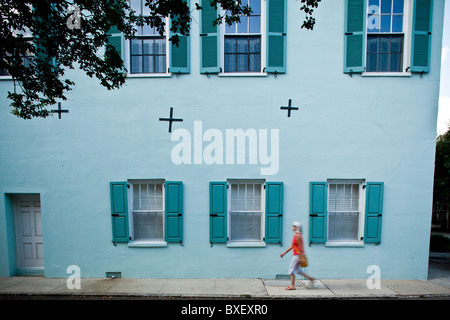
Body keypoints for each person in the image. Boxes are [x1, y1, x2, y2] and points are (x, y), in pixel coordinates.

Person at [280, 221, 315, 290]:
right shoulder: (297, 235)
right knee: (298, 271)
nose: (292, 227)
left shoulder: (298, 236)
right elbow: (292, 246)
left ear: (296, 227)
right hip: (298, 255)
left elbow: (300, 247)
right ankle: (311, 279)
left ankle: (292, 286)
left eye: (293, 226)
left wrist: (300, 257)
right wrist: (284, 253)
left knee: (291, 269)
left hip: (297, 255)